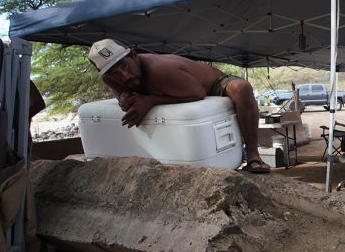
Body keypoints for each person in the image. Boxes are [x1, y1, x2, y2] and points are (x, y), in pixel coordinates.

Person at [87, 39, 270, 173]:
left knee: (241, 87)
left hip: (210, 85)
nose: (124, 76)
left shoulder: (159, 69)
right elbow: (121, 95)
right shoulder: (109, 78)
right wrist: (123, 100)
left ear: (134, 55)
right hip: (172, 91)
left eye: (125, 66)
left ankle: (253, 154)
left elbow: (197, 93)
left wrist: (150, 101)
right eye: (115, 73)